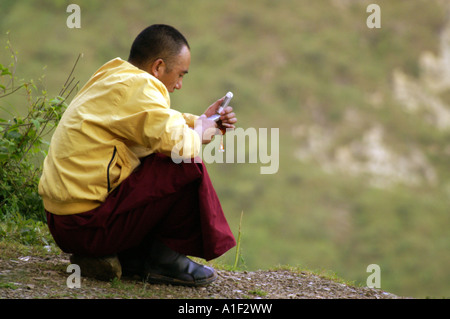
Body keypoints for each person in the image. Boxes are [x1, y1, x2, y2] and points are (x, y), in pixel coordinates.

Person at [38, 24, 237, 287]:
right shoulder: (139, 86)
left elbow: (156, 124)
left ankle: (138, 255)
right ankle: (164, 260)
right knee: (185, 165)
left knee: (161, 155)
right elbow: (180, 145)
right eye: (179, 75)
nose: (178, 85)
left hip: (64, 222)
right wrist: (199, 130)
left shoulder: (116, 74)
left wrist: (201, 122)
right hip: (84, 228)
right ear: (158, 67)